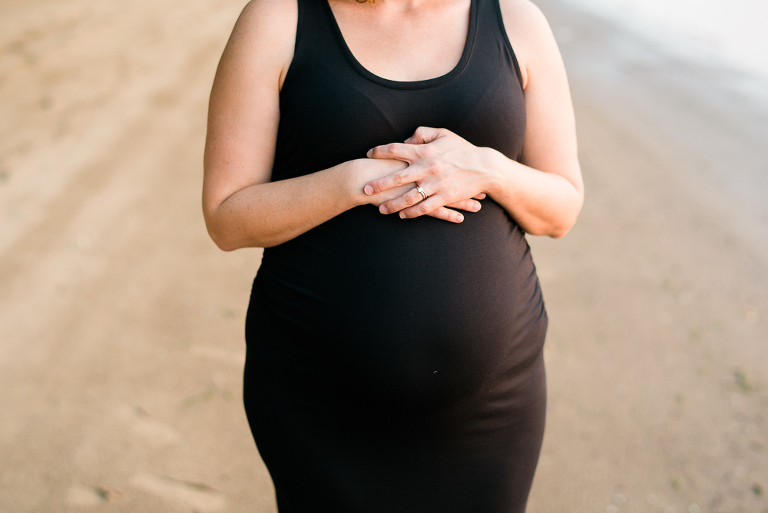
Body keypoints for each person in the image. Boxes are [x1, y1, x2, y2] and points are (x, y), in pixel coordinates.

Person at [202, 0, 583, 510]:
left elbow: (559, 211)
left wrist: (488, 168)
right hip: (317, 397)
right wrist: (358, 181)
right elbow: (227, 219)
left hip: (493, 407)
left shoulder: (516, 20)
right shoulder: (278, 18)